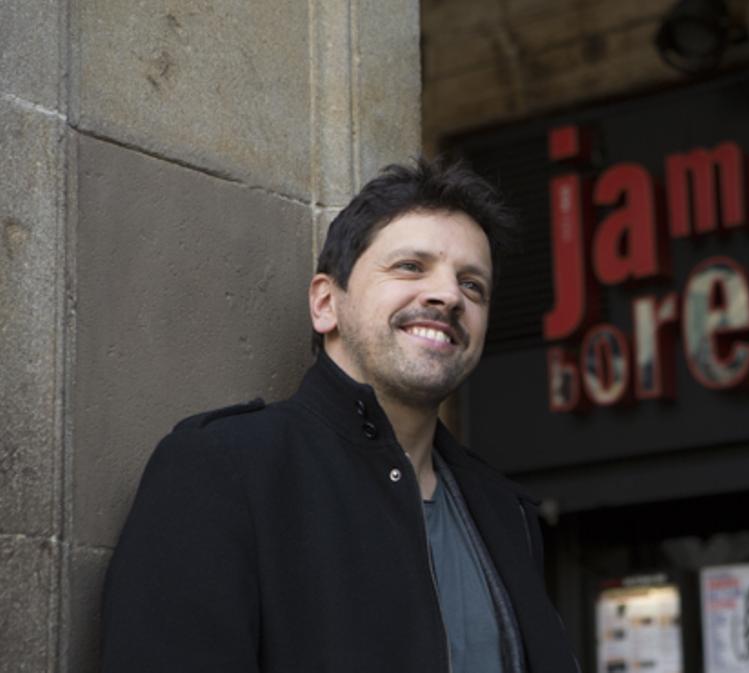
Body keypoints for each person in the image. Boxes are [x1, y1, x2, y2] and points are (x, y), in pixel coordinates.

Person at [100, 159, 580, 673]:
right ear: (326, 303)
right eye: (410, 267)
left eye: (473, 286)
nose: (448, 296)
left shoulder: (507, 514)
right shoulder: (222, 469)